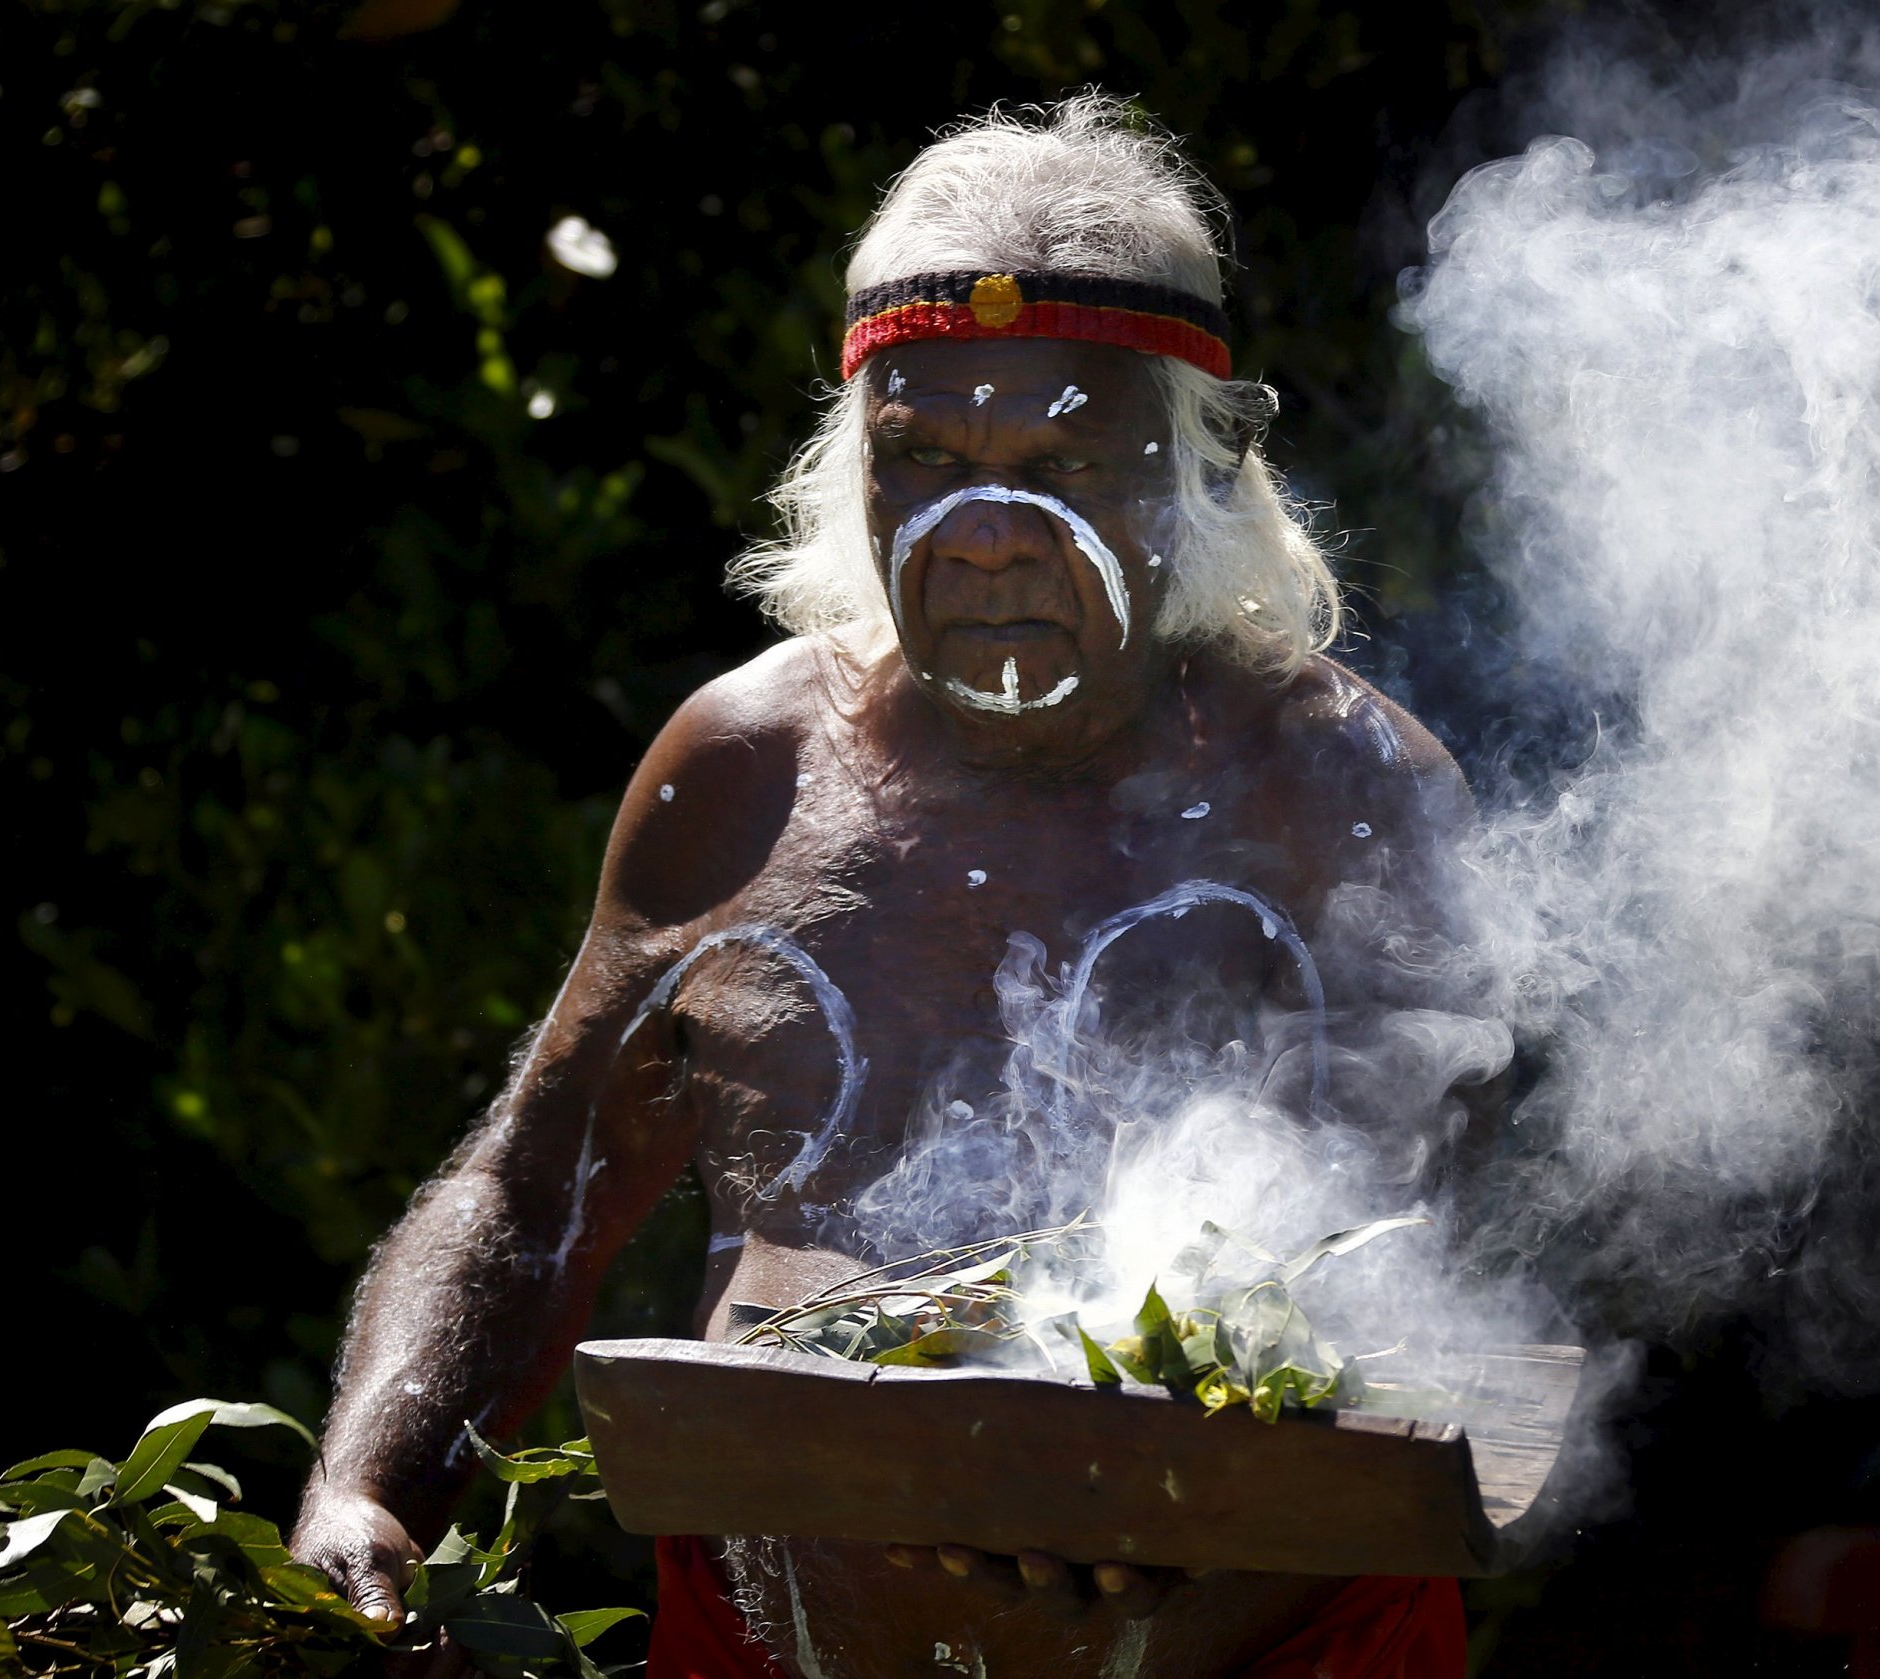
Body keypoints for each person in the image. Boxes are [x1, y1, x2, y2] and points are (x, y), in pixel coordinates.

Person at [289, 94, 1496, 1679]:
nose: (990, 532)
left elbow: (1423, 1278)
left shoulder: (1342, 795)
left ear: (1201, 468)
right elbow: (530, 1191)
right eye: (922, 457)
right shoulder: (741, 772)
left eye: (1066, 456)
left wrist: (1149, 1488)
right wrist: (371, 1487)